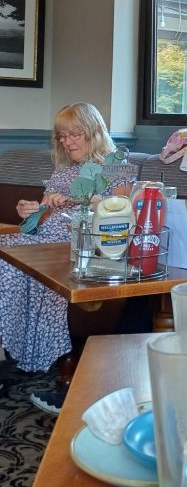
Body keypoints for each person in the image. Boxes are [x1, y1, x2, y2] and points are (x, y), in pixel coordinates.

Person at [0, 103, 133, 412]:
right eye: (62, 136)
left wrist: (79, 199)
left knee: (7, 263)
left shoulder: (116, 166)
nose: (67, 142)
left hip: (77, 246)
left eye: (75, 134)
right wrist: (30, 213)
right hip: (41, 241)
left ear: (94, 132)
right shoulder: (62, 171)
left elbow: (120, 213)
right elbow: (36, 224)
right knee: (6, 253)